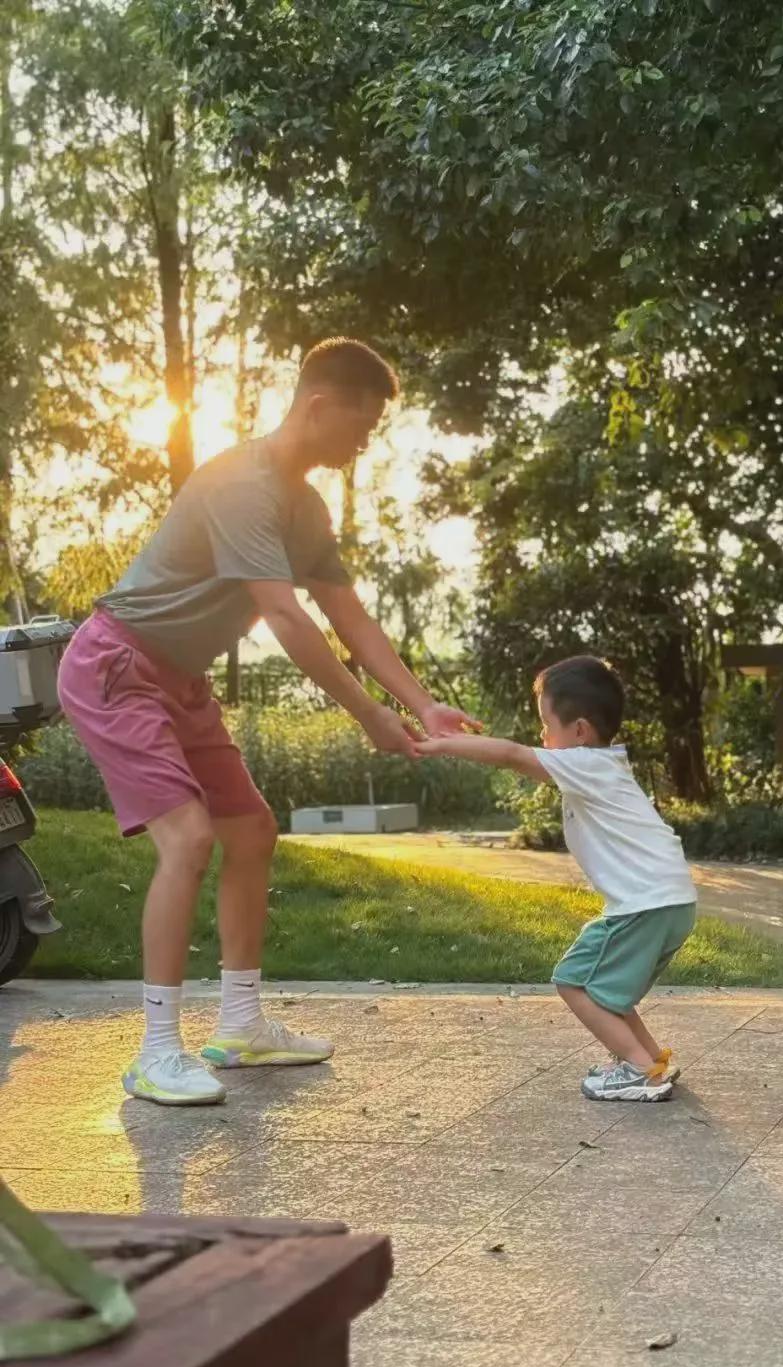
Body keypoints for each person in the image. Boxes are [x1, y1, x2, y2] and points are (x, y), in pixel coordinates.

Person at [58, 337, 476, 1106]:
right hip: (116, 667)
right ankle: (155, 1051)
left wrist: (419, 704)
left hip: (178, 680)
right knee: (188, 836)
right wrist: (367, 716)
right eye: (362, 424)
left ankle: (242, 1023)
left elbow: (345, 611)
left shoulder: (305, 507)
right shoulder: (243, 485)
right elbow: (283, 614)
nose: (365, 442)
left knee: (251, 829)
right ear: (318, 405)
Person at [417, 655, 697, 1101]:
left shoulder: (587, 763)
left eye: (547, 724)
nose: (542, 736)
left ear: (580, 731)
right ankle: (651, 1059)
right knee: (608, 989)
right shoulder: (602, 768)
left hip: (648, 905)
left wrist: (440, 744)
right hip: (671, 903)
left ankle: (641, 1071)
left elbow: (511, 755)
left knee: (574, 979)